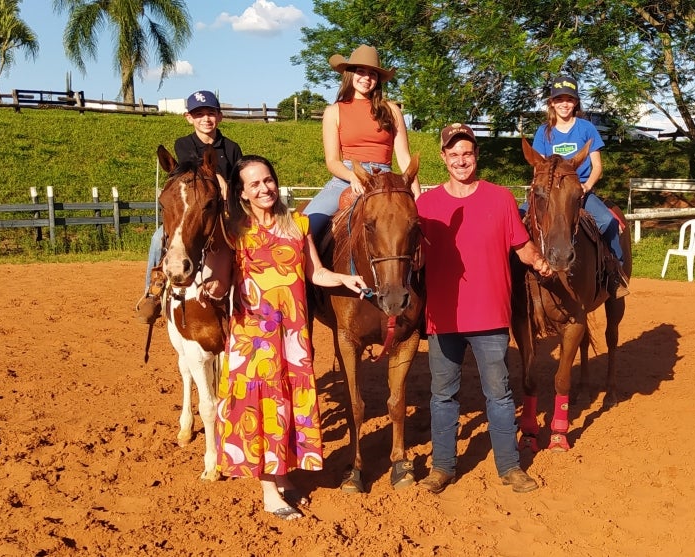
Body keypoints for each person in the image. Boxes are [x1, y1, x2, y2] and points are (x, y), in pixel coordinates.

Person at [216, 155, 366, 520]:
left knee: (286, 404)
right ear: (242, 193)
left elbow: (315, 273)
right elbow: (222, 282)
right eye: (254, 184)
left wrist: (345, 279)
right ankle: (270, 490)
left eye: (267, 180)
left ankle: (281, 476)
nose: (264, 188)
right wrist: (209, 284)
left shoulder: (297, 224)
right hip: (254, 338)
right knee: (262, 408)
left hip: (293, 338)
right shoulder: (234, 231)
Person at [416, 123, 553, 495]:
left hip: (491, 315)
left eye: (468, 153)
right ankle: (442, 467)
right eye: (454, 154)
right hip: (442, 317)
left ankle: (509, 467)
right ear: (443, 158)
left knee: (499, 394)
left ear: (476, 156)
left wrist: (542, 264)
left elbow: (522, 246)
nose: (461, 160)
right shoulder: (424, 206)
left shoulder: (501, 199)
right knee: (443, 395)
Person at [135, 90, 243, 324]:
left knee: (244, 238)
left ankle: (249, 289)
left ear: (220, 116)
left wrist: (230, 186)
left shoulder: (232, 148)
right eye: (199, 114)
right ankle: (153, 292)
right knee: (157, 238)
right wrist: (218, 177)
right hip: (194, 210)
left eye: (211, 113)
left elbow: (239, 178)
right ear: (189, 118)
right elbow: (190, 170)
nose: (206, 119)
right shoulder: (183, 144)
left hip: (223, 209)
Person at [302, 44, 421, 238]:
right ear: (350, 73)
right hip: (346, 177)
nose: (366, 78)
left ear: (378, 79)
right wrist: (352, 176)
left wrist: (416, 193)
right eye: (361, 71)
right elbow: (332, 161)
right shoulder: (333, 112)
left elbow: (404, 157)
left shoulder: (392, 110)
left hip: (384, 177)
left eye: (372, 74)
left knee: (415, 233)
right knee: (305, 229)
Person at [531, 75, 629, 298]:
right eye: (559, 100)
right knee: (521, 218)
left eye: (569, 99)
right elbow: (539, 167)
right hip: (551, 194)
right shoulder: (543, 132)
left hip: (579, 191)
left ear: (575, 102)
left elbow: (597, 166)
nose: (564, 104)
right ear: (552, 103)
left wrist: (586, 186)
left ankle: (615, 270)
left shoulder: (586, 128)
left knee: (607, 221)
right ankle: (520, 273)